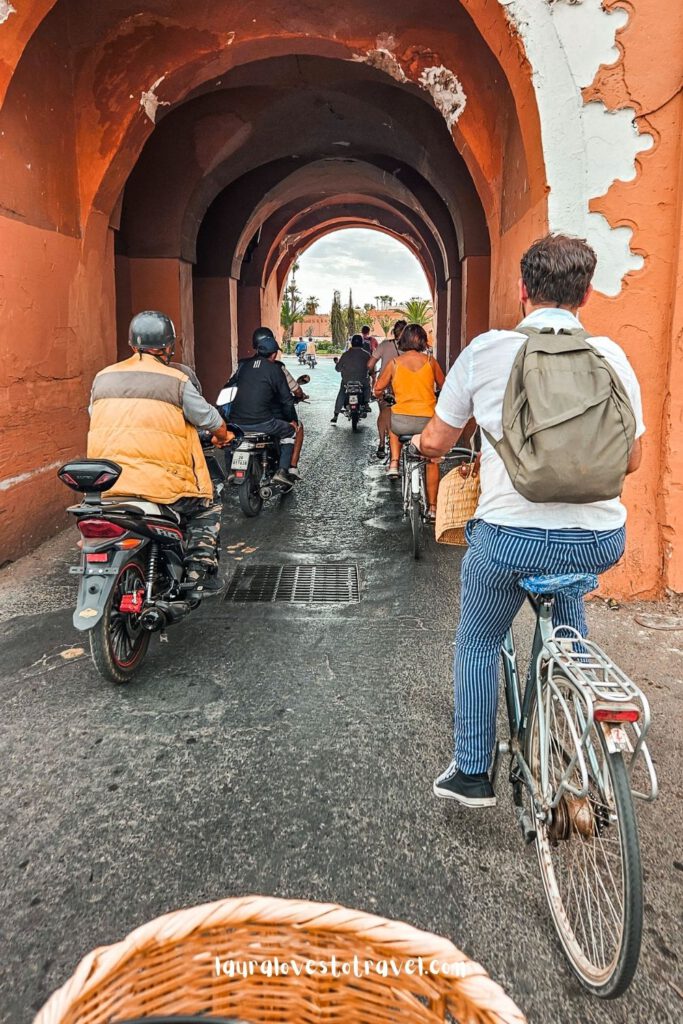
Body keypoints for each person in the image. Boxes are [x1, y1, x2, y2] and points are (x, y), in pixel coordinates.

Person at [412, 233, 644, 808]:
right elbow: (632, 459)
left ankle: (472, 770)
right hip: (597, 539)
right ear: (585, 294)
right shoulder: (612, 357)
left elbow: (437, 440)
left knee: (479, 640)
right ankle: (580, 716)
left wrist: (420, 445)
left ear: (522, 290)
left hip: (510, 541)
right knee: (568, 608)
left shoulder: (487, 352)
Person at [87, 311, 232, 600]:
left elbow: (95, 413)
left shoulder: (102, 377)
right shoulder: (177, 380)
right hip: (162, 485)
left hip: (108, 484)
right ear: (169, 346)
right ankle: (198, 572)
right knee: (207, 506)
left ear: (132, 344)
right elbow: (212, 421)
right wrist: (222, 436)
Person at [374, 324, 445, 518]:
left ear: (403, 340)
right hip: (428, 423)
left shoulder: (394, 363)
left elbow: (377, 389)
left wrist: (381, 395)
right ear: (423, 341)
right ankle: (433, 508)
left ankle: (394, 463)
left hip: (402, 421)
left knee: (393, 423)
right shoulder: (431, 362)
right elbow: (445, 386)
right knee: (431, 460)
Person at [226, 327, 297, 488]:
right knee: (290, 431)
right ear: (274, 354)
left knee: (230, 440)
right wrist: (291, 420)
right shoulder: (275, 369)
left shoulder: (243, 366)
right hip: (263, 422)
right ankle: (282, 471)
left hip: (236, 422)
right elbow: (287, 401)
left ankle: (231, 470)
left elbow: (228, 387)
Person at [367, 319, 406, 458]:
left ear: (394, 332)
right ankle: (400, 442)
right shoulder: (410, 348)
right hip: (402, 385)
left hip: (384, 384)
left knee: (384, 412)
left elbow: (370, 364)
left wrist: (372, 374)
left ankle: (382, 444)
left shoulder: (384, 345)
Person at [331, 334, 372, 423]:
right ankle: (366, 403)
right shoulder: (366, 354)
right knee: (367, 386)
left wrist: (338, 364)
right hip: (362, 381)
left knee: (342, 392)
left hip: (347, 381)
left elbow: (338, 369)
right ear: (362, 343)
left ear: (352, 343)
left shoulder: (345, 354)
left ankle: (336, 414)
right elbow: (370, 367)